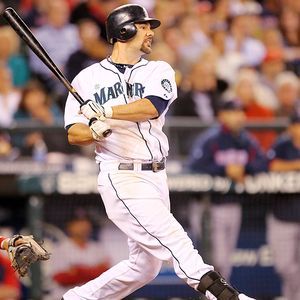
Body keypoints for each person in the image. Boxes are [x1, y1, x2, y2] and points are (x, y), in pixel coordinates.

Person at [62, 4, 255, 300]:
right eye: (143, 26)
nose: (150, 32)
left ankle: (76, 299)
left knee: (144, 267)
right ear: (123, 30)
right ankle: (225, 295)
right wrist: (94, 131)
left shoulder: (158, 69)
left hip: (156, 175)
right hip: (121, 175)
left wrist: (106, 112)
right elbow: (74, 133)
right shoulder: (86, 79)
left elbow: (153, 106)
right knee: (175, 240)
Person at [187, 100, 268, 280]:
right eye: (233, 112)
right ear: (223, 115)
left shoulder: (246, 140)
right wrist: (224, 170)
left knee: (225, 262)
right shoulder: (211, 139)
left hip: (233, 204)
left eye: (240, 112)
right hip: (208, 206)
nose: (239, 116)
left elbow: (263, 163)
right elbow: (193, 167)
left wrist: (244, 168)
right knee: (216, 260)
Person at [266, 112, 300, 300]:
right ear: (291, 127)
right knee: (285, 265)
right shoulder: (282, 145)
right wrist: (296, 164)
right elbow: (269, 165)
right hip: (283, 215)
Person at [49, 213, 110, 299]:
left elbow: (106, 274)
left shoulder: (97, 248)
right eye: (78, 223)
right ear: (69, 226)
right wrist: (93, 270)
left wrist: (79, 270)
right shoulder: (60, 249)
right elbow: (60, 278)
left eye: (86, 222)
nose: (83, 226)